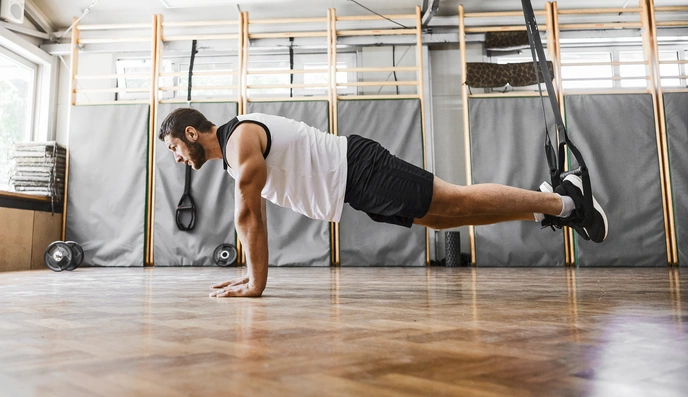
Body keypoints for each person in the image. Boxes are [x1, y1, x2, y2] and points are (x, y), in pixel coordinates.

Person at [158, 108, 608, 298]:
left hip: (359, 168)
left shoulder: (240, 138)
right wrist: (249, 274)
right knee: (440, 220)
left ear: (193, 134)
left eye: (175, 147)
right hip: (354, 186)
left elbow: (247, 211)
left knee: (455, 199)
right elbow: (247, 209)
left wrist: (255, 282)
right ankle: (551, 206)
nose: (177, 157)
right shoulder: (233, 158)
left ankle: (567, 201)